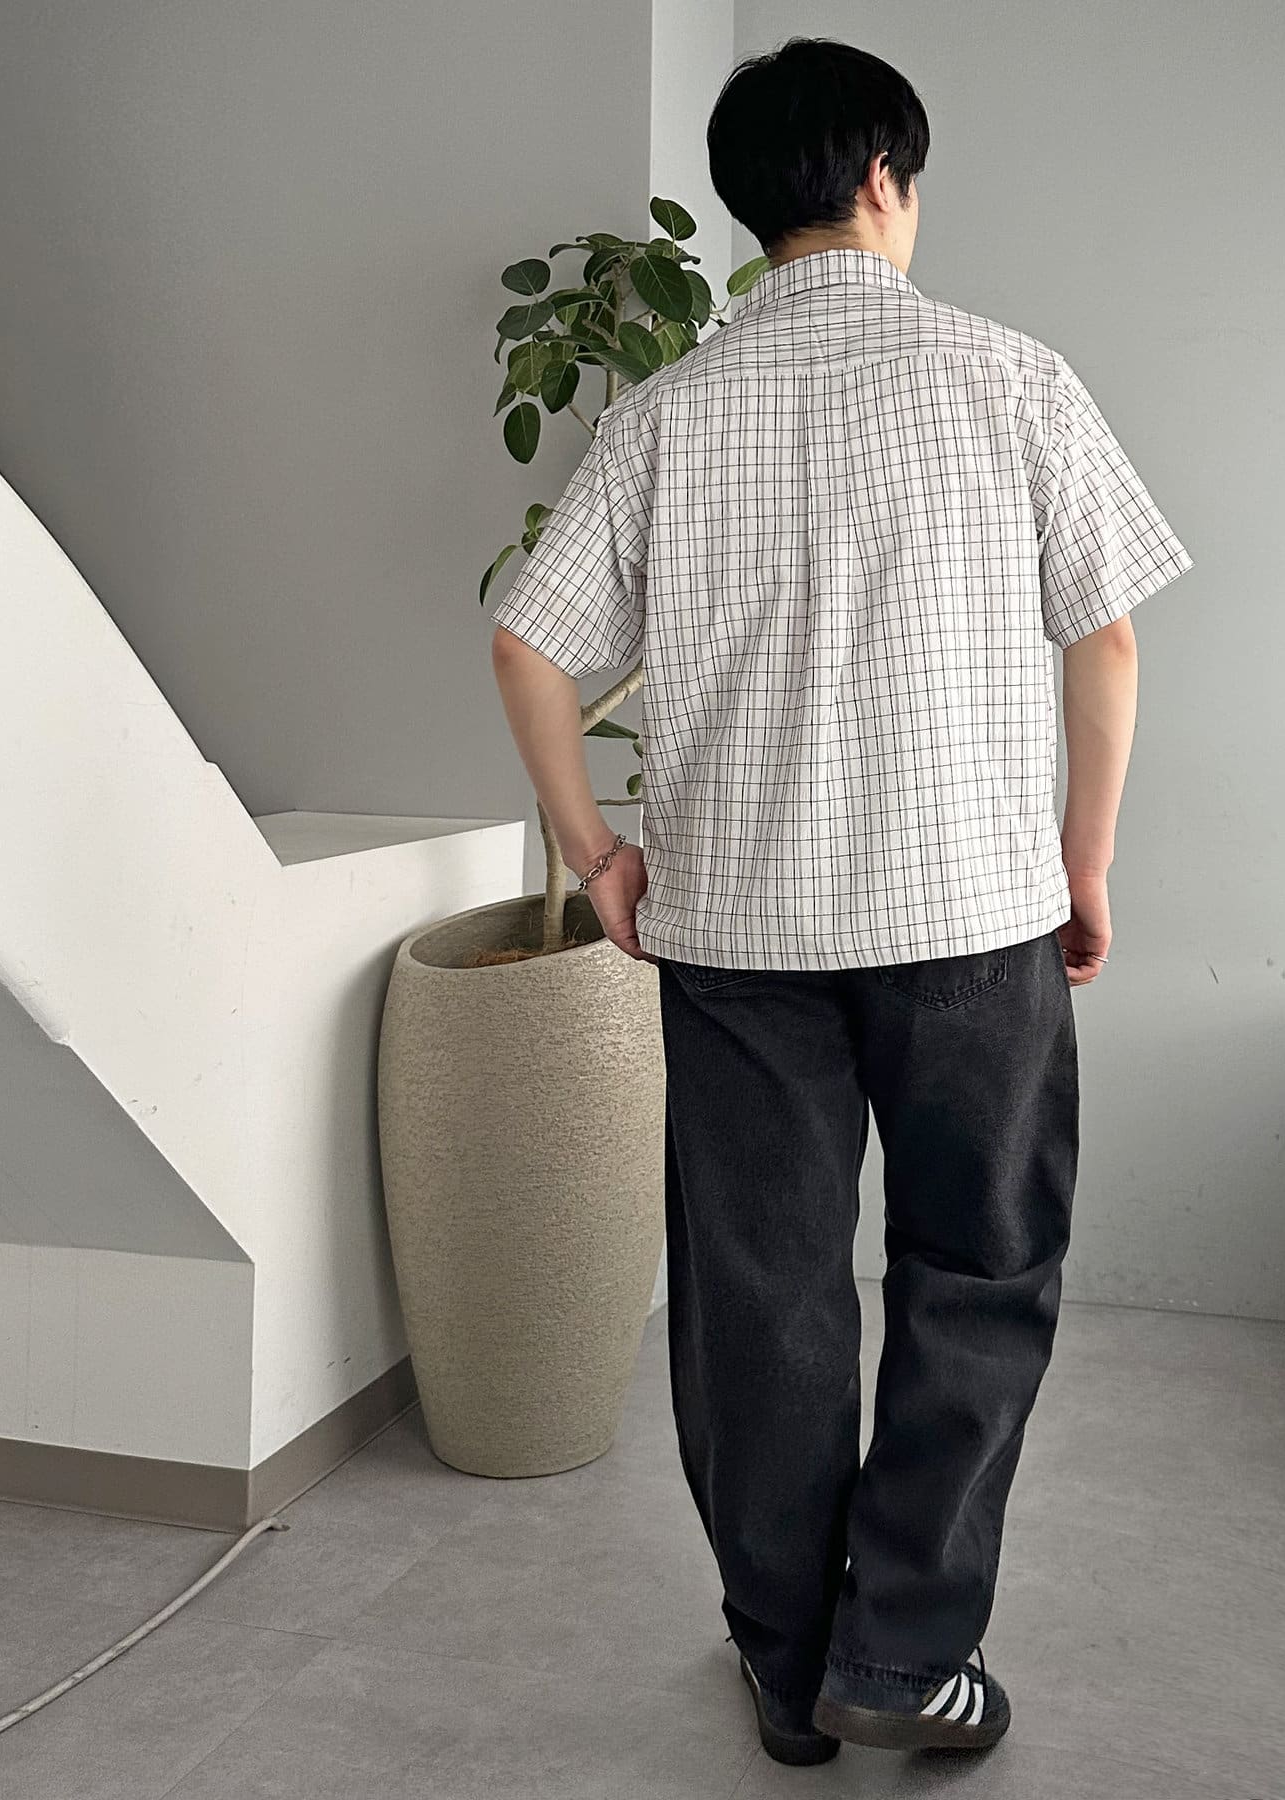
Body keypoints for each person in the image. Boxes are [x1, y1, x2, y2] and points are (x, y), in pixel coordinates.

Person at [489, 34, 1192, 1766]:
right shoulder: (1014, 378)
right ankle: (905, 1650)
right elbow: (1105, 639)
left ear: (751, 206)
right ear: (885, 178)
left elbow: (528, 644)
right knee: (980, 1266)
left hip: (736, 934)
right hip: (973, 916)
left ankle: (785, 1653)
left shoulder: (665, 412)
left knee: (762, 1295)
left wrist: (597, 856)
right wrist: (1084, 859)